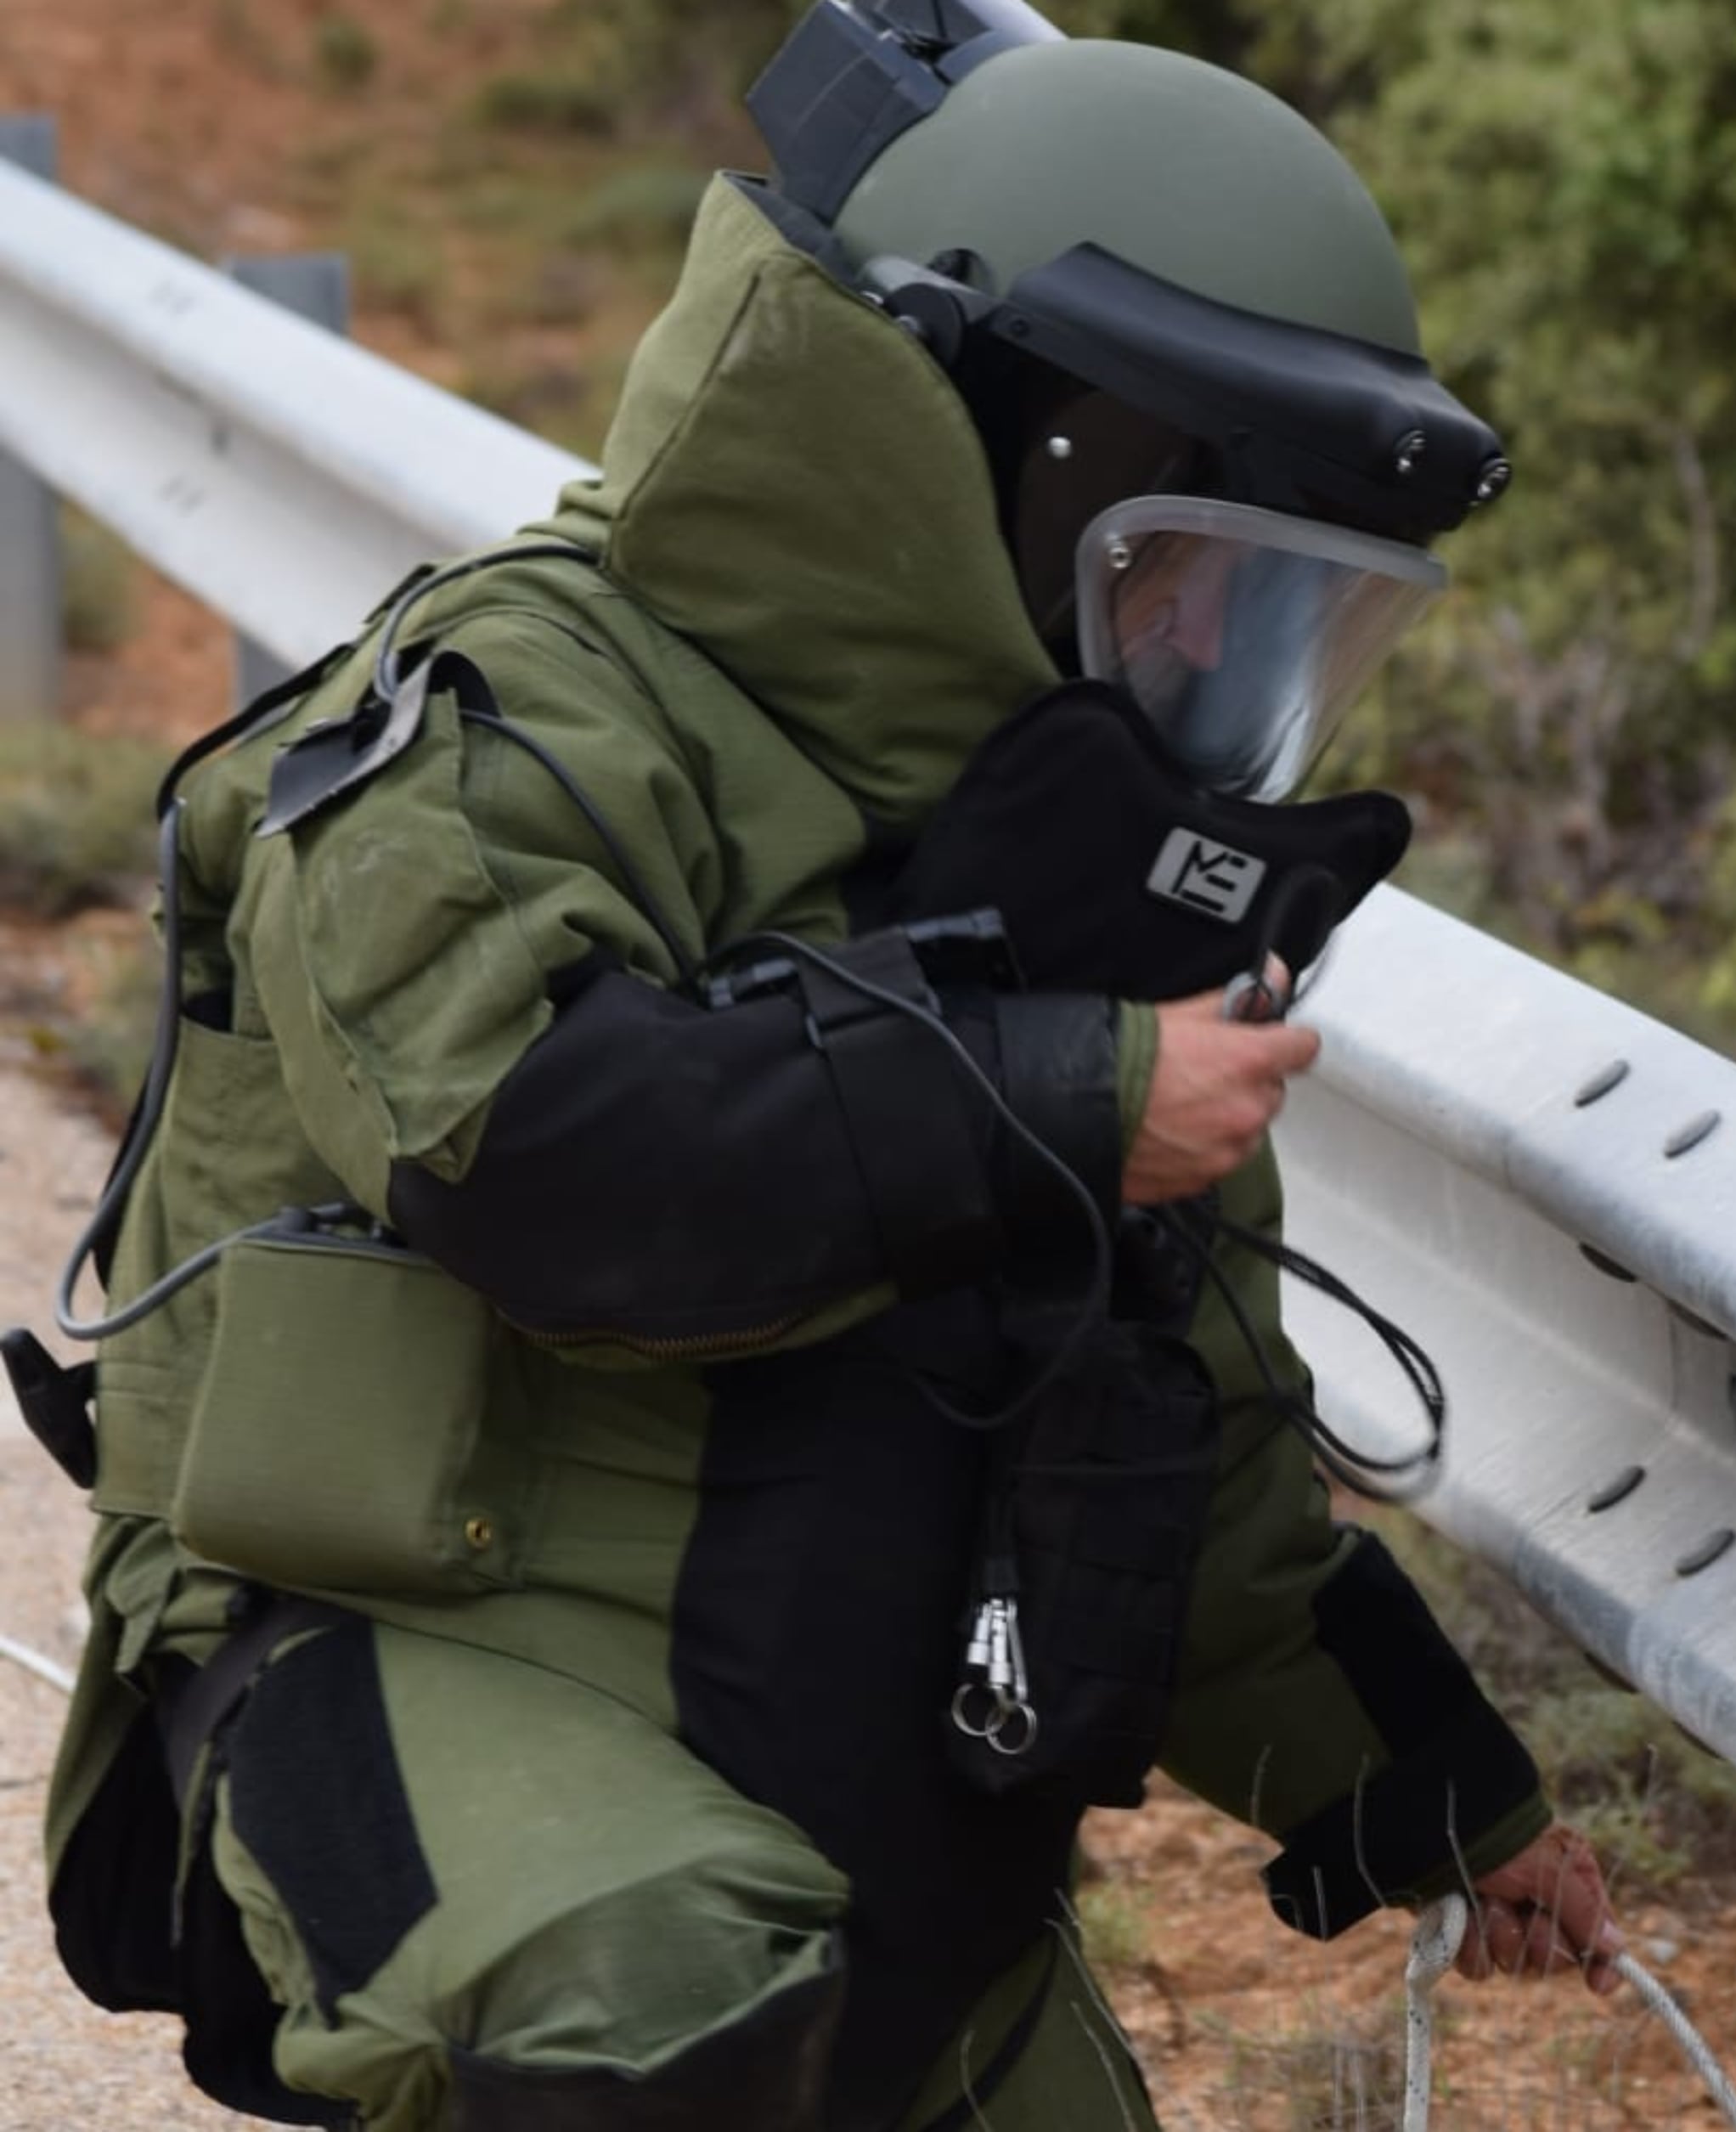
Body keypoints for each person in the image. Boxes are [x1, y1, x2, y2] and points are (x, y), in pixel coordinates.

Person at [18, 4, 1624, 2126]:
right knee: (657, 1998)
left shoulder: (1091, 896)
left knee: (894, 2024)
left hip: (857, 1825)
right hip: (410, 1703)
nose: (1195, 667)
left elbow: (1199, 1456)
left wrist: (1443, 1793)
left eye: (1266, 618)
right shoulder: (521, 712)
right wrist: (1052, 1094)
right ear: (983, 451)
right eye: (1188, 584)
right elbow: (539, 1152)